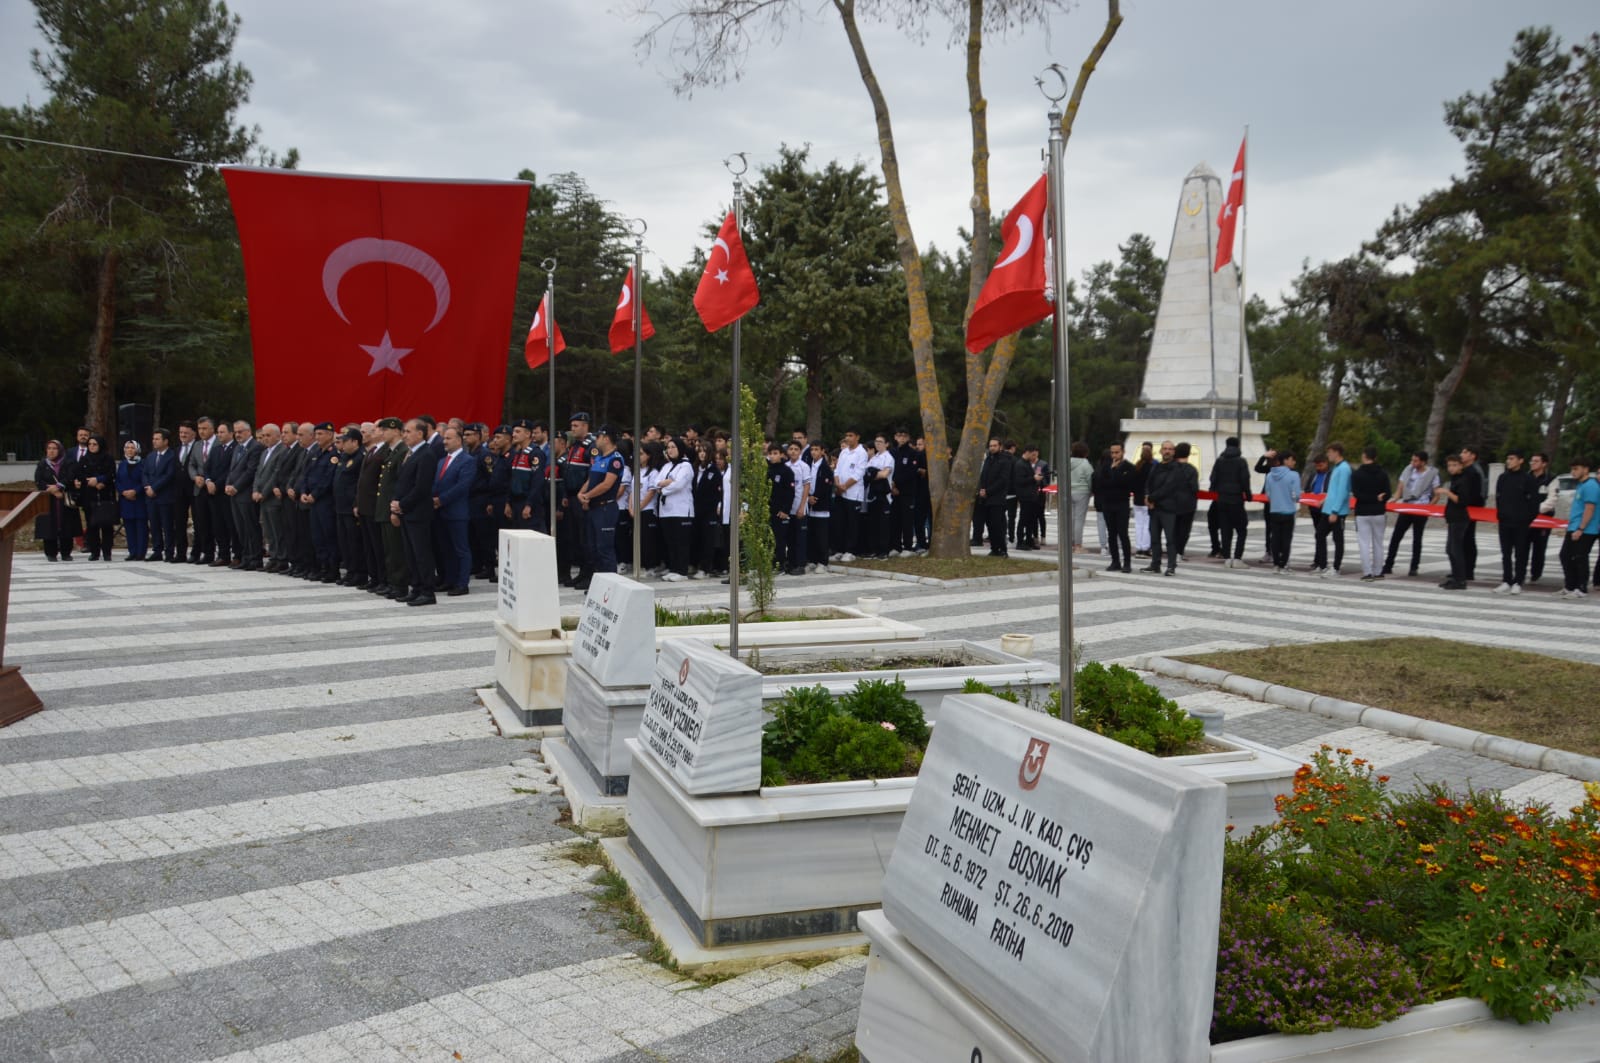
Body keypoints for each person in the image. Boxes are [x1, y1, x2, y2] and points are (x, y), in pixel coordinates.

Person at [391, 418, 440, 606]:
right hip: (407, 511)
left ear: (420, 434)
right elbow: (403, 481)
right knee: (411, 553)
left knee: (421, 554)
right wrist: (396, 503)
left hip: (417, 512)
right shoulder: (411, 453)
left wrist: (402, 505)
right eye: (404, 432)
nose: (405, 435)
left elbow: (421, 487)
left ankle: (428, 592)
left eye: (408, 431)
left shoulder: (426, 454)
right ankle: (417, 587)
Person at [574, 426, 625, 591]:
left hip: (605, 508)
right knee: (592, 547)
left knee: (604, 548)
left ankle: (610, 587)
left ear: (606, 438)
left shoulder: (615, 459)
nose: (596, 440)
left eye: (598, 437)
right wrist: (581, 493)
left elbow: (607, 484)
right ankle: (599, 584)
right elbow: (592, 479)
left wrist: (587, 495)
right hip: (593, 508)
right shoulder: (599, 458)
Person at [432, 424, 474, 596]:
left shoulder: (467, 460)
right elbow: (436, 484)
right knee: (445, 548)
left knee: (461, 549)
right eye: (444, 438)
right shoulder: (442, 461)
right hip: (440, 512)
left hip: (456, 512)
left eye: (449, 438)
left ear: (459, 440)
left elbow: (462, 486)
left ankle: (462, 583)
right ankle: (449, 579)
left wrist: (441, 500)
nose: (445, 441)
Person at [1146, 441, 1198, 576]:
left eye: (1170, 449)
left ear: (1174, 452)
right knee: (1155, 539)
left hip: (1169, 509)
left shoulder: (1177, 468)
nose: (1167, 451)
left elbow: (1168, 487)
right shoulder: (1156, 467)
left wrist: (1151, 498)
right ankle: (1155, 564)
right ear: (1161, 451)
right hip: (1154, 508)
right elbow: (1149, 483)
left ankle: (1171, 566)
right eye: (1165, 449)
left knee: (1171, 540)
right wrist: (1147, 496)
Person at [1492, 449, 1539, 595]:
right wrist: (1501, 515)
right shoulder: (1503, 478)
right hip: (1505, 521)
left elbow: (1534, 502)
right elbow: (1498, 498)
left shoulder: (1528, 479)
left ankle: (1518, 581)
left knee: (1521, 553)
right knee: (1506, 553)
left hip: (1521, 523)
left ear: (1520, 460)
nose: (1509, 461)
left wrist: (1527, 518)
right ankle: (1506, 580)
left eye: (1512, 458)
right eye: (1508, 458)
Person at [1383, 451, 1438, 578]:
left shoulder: (1432, 474)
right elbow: (1400, 488)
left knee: (1417, 538)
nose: (1413, 463)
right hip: (1407, 505)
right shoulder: (1408, 470)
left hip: (1421, 507)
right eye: (1412, 460)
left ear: (1423, 462)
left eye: (1416, 461)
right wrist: (1393, 500)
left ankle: (1414, 566)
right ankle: (1388, 564)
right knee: (1396, 535)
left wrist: (1429, 508)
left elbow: (1436, 494)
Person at [375, 418, 411, 600]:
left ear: (396, 431)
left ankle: (400, 585)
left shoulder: (402, 451)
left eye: (385, 430)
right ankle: (392, 582)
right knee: (389, 549)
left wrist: (394, 509)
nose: (382, 433)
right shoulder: (392, 452)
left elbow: (399, 483)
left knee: (396, 550)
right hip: (383, 508)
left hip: (392, 508)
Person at [1434, 454, 1477, 591]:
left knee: (1456, 549)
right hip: (1453, 518)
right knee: (1450, 549)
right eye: (1449, 465)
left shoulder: (1464, 479)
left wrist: (1446, 492)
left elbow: (1462, 500)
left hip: (1460, 518)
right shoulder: (1455, 478)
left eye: (1454, 465)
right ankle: (1455, 577)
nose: (1451, 468)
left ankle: (1461, 580)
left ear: (1461, 465)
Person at [1558, 455, 1599, 600]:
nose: (1573, 472)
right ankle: (1570, 586)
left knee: (1580, 557)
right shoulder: (1581, 485)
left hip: (1585, 529)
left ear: (1586, 469)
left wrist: (1581, 528)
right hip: (1574, 526)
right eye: (1572, 469)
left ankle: (1581, 588)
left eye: (1576, 469)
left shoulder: (1591, 486)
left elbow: (1589, 509)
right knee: (1565, 556)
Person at [225, 420, 264, 570]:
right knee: (241, 528)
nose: (238, 434)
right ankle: (246, 557)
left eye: (241, 431)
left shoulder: (255, 448)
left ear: (249, 432)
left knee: (250, 527)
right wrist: (228, 484)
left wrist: (236, 486)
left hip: (245, 494)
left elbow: (250, 471)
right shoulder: (238, 448)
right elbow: (232, 469)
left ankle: (255, 558)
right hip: (234, 494)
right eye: (236, 432)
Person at [33, 440, 80, 561]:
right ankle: (51, 553)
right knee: (49, 526)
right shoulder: (43, 464)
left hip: (64, 498)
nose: (51, 451)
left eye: (54, 448)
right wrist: (53, 490)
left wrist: (59, 487)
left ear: (60, 450)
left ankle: (66, 553)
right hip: (49, 499)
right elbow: (39, 480)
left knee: (66, 525)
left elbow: (70, 477)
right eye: (49, 448)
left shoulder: (68, 462)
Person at [1209, 436, 1253, 567]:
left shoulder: (1219, 460)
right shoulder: (1241, 461)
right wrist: (1248, 495)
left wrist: (1215, 490)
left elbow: (1213, 478)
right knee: (1241, 529)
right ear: (1238, 446)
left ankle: (1227, 557)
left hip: (1221, 499)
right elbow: (1245, 479)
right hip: (1236, 499)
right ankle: (1238, 557)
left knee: (1225, 529)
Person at [332, 428, 368, 587]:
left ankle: (359, 573)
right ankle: (350, 571)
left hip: (350, 506)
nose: (342, 444)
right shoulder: (344, 456)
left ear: (355, 442)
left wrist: (356, 504)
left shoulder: (361, 457)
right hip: (340, 506)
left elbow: (359, 484)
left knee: (354, 543)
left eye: (346, 441)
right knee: (344, 542)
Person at [1349, 445, 1390, 581]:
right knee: (1378, 542)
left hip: (1363, 511)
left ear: (1364, 456)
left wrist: (1369, 498)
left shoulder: (1357, 474)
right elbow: (1388, 493)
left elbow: (1357, 494)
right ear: (1375, 457)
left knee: (1364, 542)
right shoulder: (1383, 474)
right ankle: (1378, 571)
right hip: (1379, 511)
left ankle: (1367, 572)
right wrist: (1378, 498)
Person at [657, 436, 695, 582]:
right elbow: (656, 483)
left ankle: (682, 571)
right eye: (668, 447)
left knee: (681, 541)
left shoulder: (686, 466)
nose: (670, 450)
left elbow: (679, 485)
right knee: (670, 541)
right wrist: (667, 482)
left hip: (681, 510)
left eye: (673, 447)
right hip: (666, 511)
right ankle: (674, 569)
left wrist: (664, 488)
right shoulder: (666, 466)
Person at [74, 434, 117, 562]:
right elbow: (79, 474)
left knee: (106, 526)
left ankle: (107, 552)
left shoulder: (108, 458)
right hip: (89, 496)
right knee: (92, 525)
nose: (92, 447)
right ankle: (94, 551)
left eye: (95, 444)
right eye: (90, 444)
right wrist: (90, 481)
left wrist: (100, 480)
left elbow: (111, 473)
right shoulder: (84, 459)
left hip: (105, 495)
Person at [1091, 443, 1134, 572]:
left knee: (1123, 533)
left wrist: (1115, 472)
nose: (1114, 455)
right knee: (1111, 533)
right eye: (1112, 452)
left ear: (1123, 452)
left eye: (1117, 452)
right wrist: (1112, 476)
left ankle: (1127, 563)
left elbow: (1125, 484)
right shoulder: (1105, 467)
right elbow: (1100, 483)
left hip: (1122, 504)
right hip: (1107, 503)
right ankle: (1115, 561)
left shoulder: (1129, 467)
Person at [252, 425, 289, 570]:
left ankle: (281, 559)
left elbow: (276, 474)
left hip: (272, 498)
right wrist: (255, 490)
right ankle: (273, 557)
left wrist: (263, 492)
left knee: (277, 530)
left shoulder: (282, 451)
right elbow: (258, 473)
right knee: (268, 531)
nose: (265, 439)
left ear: (277, 436)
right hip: (262, 498)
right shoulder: (264, 452)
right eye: (263, 436)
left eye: (268, 435)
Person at [141, 428, 179, 561]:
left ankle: (169, 552)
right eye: (153, 439)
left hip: (165, 496)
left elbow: (169, 475)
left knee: (167, 525)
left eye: (157, 439)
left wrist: (155, 488)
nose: (154, 441)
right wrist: (147, 487)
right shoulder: (150, 456)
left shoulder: (172, 456)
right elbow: (144, 473)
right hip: (151, 497)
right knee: (154, 525)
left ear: (166, 441)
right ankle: (157, 550)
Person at [203, 419, 236, 566]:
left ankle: (237, 554)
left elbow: (230, 470)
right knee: (218, 525)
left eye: (222, 432)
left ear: (231, 433)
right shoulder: (216, 449)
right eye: (218, 432)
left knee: (231, 525)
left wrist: (217, 484)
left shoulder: (235, 448)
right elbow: (207, 468)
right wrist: (208, 481)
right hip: (213, 493)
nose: (219, 435)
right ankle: (223, 555)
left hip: (225, 492)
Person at [1318, 443, 1352, 578]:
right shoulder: (1336, 468)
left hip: (1337, 511)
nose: (1328, 455)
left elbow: (1343, 491)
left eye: (1330, 452)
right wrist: (1325, 500)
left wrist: (1335, 511)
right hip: (1328, 508)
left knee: (1338, 539)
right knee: (1319, 534)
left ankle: (1336, 568)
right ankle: (1322, 565)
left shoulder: (1344, 469)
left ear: (1337, 452)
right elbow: (1333, 489)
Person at [977, 436, 1013, 558]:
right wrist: (982, 489)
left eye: (994, 446)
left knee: (998, 525)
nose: (992, 448)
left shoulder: (1005, 460)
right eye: (990, 446)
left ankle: (1002, 549)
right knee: (990, 525)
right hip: (986, 498)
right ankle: (994, 548)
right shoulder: (988, 459)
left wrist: (988, 491)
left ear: (1000, 446)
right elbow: (983, 476)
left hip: (997, 498)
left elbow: (1003, 480)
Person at [1264, 452, 1301, 573]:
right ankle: (1284, 564)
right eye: (1292, 459)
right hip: (1288, 511)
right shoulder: (1294, 475)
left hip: (1274, 510)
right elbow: (1296, 495)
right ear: (1285, 460)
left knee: (1275, 538)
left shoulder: (1269, 475)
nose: (1294, 462)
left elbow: (1268, 494)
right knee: (1286, 539)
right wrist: (1293, 498)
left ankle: (1275, 564)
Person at [693, 440, 724, 578]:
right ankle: (697, 565)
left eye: (704, 451)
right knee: (697, 539)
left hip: (709, 511)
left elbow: (718, 493)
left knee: (708, 540)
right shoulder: (695, 469)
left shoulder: (714, 471)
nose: (702, 454)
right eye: (700, 451)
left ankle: (706, 568)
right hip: (696, 510)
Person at [834, 430, 867, 561]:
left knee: (852, 523)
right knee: (840, 522)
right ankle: (840, 549)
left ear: (857, 437)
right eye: (846, 435)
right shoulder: (843, 452)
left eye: (851, 435)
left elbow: (858, 473)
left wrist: (845, 486)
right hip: (840, 493)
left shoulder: (861, 453)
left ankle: (850, 550)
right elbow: (837, 469)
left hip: (853, 494)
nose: (847, 438)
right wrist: (838, 485)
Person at [766, 442, 797, 571]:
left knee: (779, 539)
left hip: (780, 511)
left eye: (775, 453)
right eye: (770, 454)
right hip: (768, 510)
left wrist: (785, 510)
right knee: (768, 539)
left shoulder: (786, 471)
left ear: (782, 455)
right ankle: (770, 563)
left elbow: (790, 493)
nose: (773, 456)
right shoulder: (767, 470)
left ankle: (780, 564)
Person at [116, 439, 148, 561]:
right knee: (129, 527)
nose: (129, 450)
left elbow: (144, 479)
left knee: (141, 527)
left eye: (132, 448)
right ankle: (132, 551)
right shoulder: (122, 464)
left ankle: (140, 553)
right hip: (126, 500)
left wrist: (135, 491)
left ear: (137, 450)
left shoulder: (143, 463)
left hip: (138, 499)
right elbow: (118, 481)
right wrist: (123, 492)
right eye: (127, 448)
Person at [865, 434, 895, 559]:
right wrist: (872, 474)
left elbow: (884, 474)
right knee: (873, 524)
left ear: (886, 444)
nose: (877, 444)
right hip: (872, 495)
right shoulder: (873, 458)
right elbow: (866, 474)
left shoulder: (888, 458)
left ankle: (883, 551)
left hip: (884, 495)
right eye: (876, 441)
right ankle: (874, 549)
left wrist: (872, 474)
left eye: (881, 442)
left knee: (883, 525)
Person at [806, 441, 834, 572]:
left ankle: (823, 561)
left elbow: (825, 488)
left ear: (822, 451)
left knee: (822, 535)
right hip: (809, 505)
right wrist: (808, 498)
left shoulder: (826, 468)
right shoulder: (808, 465)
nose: (813, 452)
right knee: (811, 534)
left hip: (821, 506)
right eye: (812, 450)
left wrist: (814, 498)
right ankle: (812, 559)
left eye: (816, 449)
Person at [783, 440, 811, 573]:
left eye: (796, 449)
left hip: (800, 506)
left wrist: (802, 507)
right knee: (790, 537)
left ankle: (801, 564)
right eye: (791, 449)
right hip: (789, 507)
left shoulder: (804, 466)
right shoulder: (786, 466)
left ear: (800, 451)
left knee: (800, 537)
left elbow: (806, 487)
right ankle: (791, 563)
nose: (793, 451)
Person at [1459, 444, 1485, 580]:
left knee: (1468, 539)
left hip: (1470, 510)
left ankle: (1468, 570)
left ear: (1472, 456)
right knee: (1464, 540)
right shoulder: (1467, 470)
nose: (1461, 454)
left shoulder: (1474, 471)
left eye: (1464, 452)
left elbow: (1477, 494)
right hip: (1466, 509)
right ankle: (1462, 568)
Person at [1529, 452, 1555, 583]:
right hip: (1526, 518)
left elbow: (1551, 500)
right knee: (1522, 545)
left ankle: (1536, 573)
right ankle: (1520, 571)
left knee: (1539, 547)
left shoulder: (1551, 479)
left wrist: (1535, 509)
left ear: (1544, 463)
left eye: (1536, 461)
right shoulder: (1526, 477)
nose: (1532, 463)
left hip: (1543, 518)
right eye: (1532, 461)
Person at [1013, 444, 1043, 552]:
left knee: (1031, 519)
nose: (1034, 457)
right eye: (1033, 455)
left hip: (1031, 495)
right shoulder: (1020, 464)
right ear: (1028, 452)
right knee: (1024, 519)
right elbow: (1020, 481)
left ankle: (1029, 540)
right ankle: (1020, 541)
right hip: (1025, 496)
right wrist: (1033, 478)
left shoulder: (1027, 464)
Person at [1066, 442, 1093, 552]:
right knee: (1079, 519)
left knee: (1071, 518)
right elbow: (1090, 478)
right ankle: (1078, 545)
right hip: (1082, 492)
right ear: (1085, 453)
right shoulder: (1085, 464)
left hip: (1068, 491)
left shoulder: (1067, 462)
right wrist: (1092, 491)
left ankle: (1070, 543)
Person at [1131, 441, 1153, 557]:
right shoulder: (1152, 468)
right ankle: (1145, 547)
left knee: (1138, 524)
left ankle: (1139, 546)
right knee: (1147, 525)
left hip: (1137, 500)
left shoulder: (1136, 467)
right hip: (1147, 499)